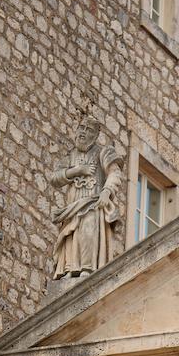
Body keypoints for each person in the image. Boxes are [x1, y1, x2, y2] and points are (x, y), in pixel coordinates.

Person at [51, 115, 123, 279]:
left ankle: (87, 269)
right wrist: (77, 170)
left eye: (88, 130)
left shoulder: (103, 152)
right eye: (81, 128)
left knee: (88, 232)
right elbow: (54, 178)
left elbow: (115, 173)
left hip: (93, 203)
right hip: (72, 207)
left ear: (96, 135)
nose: (83, 132)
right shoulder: (70, 156)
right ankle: (70, 270)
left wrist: (107, 191)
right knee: (71, 236)